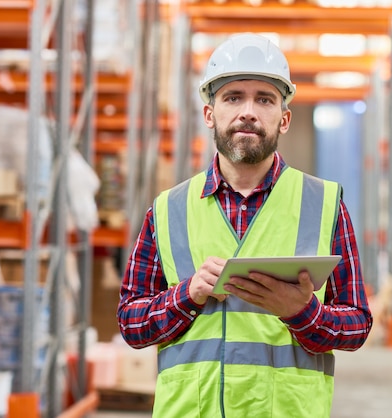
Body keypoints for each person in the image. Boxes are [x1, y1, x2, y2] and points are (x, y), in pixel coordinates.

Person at [117, 33, 373, 418]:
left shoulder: (324, 204)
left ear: (284, 119)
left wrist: (303, 312)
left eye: (264, 99)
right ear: (209, 114)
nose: (248, 111)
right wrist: (186, 295)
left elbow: (356, 325)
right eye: (233, 97)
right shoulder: (168, 209)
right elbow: (131, 323)